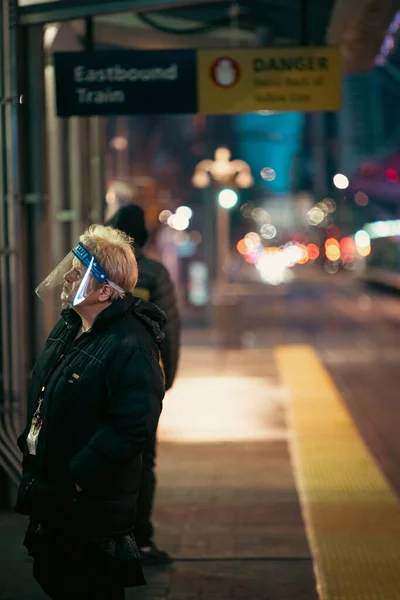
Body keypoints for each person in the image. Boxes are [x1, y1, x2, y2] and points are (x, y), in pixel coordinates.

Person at [15, 225, 165, 600]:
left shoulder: (130, 344)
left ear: (104, 291)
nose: (66, 275)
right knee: (52, 573)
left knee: (88, 587)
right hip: (57, 497)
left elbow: (132, 426)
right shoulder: (71, 328)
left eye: (78, 273)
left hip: (89, 509)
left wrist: (78, 475)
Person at [108, 204, 180, 565]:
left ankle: (109, 535)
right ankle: (140, 538)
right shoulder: (153, 273)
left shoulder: (98, 272)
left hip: (101, 379)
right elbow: (169, 328)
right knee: (143, 459)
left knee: (107, 455)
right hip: (141, 378)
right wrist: (168, 377)